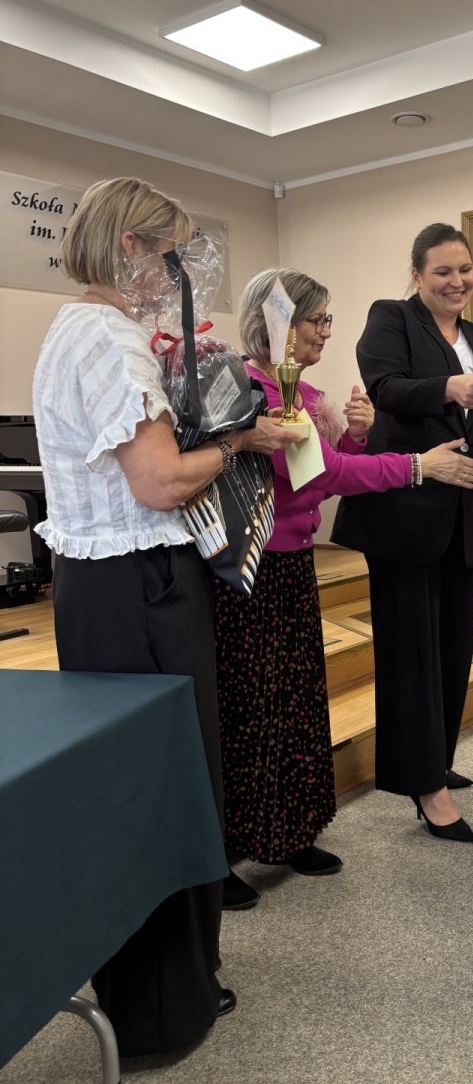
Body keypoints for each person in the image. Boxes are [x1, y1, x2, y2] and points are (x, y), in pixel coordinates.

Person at [31, 177, 307, 1054]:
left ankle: (151, 989)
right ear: (131, 247)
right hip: (144, 585)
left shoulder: (70, 328)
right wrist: (237, 440)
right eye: (171, 255)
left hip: (98, 587)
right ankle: (161, 1007)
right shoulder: (111, 340)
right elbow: (158, 482)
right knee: (167, 785)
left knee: (130, 788)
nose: (177, 273)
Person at [216, 268, 473, 903]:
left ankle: (289, 833)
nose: (326, 333)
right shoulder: (250, 391)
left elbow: (329, 469)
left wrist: (357, 436)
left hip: (292, 562)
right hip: (250, 569)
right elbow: (322, 476)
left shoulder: (303, 393)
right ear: (277, 324)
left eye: (327, 320)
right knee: (251, 713)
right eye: (316, 320)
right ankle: (222, 853)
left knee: (296, 704)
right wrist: (418, 465)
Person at [332, 223, 473, 843]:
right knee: (410, 652)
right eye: (443, 271)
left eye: (465, 270)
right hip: (404, 510)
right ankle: (423, 785)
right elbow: (387, 389)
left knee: (453, 646)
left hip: (463, 511)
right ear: (417, 275)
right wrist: (450, 386)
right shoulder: (392, 318)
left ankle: (436, 759)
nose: (458, 281)